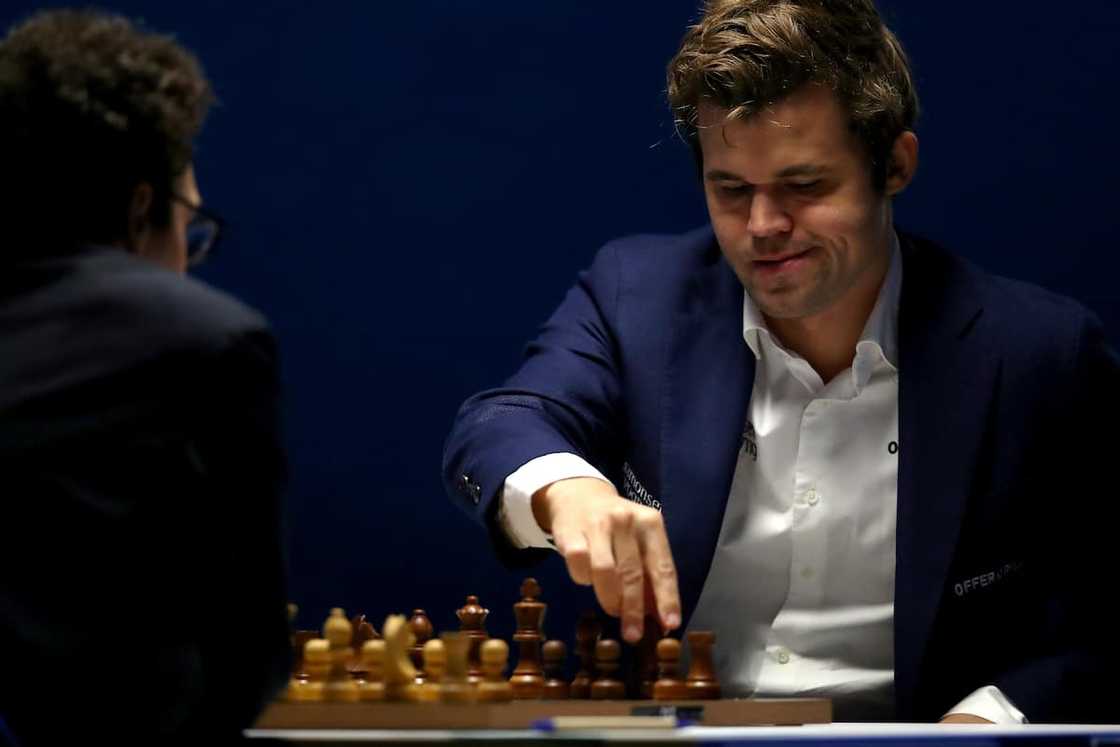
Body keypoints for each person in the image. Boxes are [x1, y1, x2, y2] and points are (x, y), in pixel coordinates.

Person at [444, 0, 1117, 725]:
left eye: (805, 185)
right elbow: (504, 421)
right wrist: (566, 489)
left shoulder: (1039, 352)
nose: (763, 226)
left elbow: (1105, 620)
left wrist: (985, 721)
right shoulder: (634, 296)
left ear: (894, 164)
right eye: (731, 189)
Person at [0, 10, 290, 744]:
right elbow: (242, 657)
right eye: (187, 224)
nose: (186, 257)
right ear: (140, 206)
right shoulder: (202, 339)